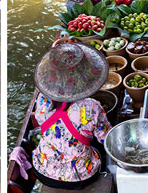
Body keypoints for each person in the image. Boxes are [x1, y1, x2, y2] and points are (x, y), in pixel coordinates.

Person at [31, 42, 111, 189]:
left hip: (41, 171)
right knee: (100, 150)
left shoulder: (42, 99)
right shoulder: (91, 106)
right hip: (79, 178)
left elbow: (40, 119)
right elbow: (105, 138)